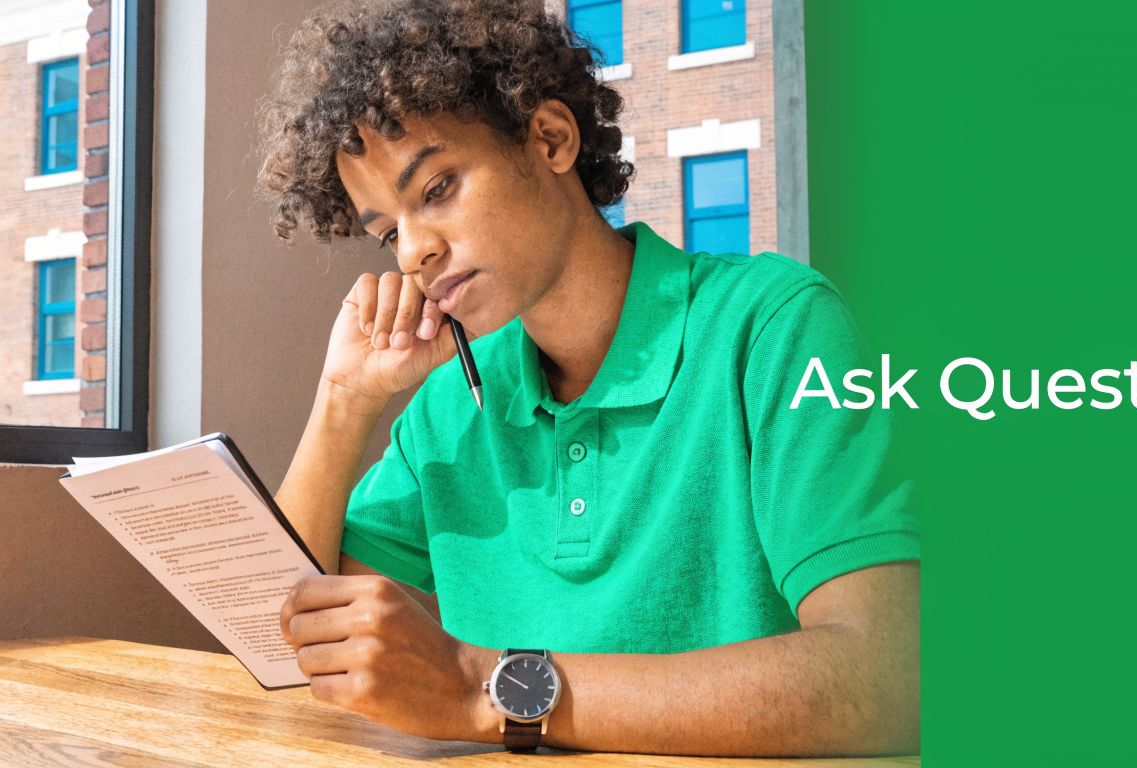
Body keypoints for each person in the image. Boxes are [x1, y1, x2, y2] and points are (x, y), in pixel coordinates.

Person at [258, 0, 918, 756]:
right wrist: (345, 404)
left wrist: (486, 689)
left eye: (437, 189)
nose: (412, 253)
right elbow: (282, 643)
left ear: (550, 139)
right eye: (387, 231)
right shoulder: (450, 403)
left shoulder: (774, 328)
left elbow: (885, 674)